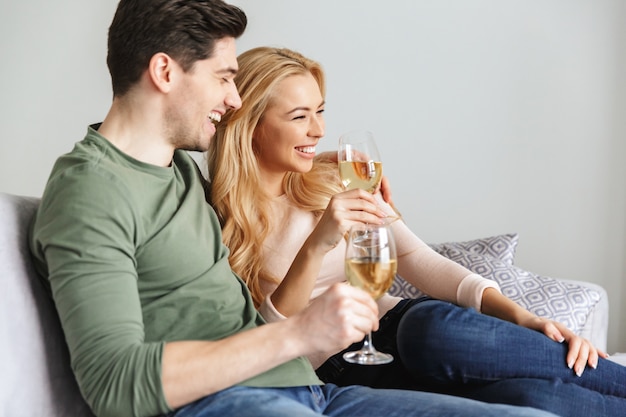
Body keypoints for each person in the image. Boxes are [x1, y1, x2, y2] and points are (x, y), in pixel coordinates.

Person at [27, 2, 559, 417]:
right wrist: (299, 334)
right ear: (164, 72)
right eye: (222, 77)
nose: (233, 100)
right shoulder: (90, 192)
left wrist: (323, 163)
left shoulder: (180, 172)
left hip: (311, 390)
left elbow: (252, 174)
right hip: (231, 403)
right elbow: (114, 384)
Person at [207, 46, 626, 417]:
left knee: (431, 331)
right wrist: (317, 245)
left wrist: (520, 315)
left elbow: (415, 258)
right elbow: (269, 339)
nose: (318, 130)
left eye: (320, 111)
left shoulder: (337, 179)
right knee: (537, 402)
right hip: (345, 373)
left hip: (402, 329)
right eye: (300, 116)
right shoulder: (216, 221)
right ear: (250, 123)